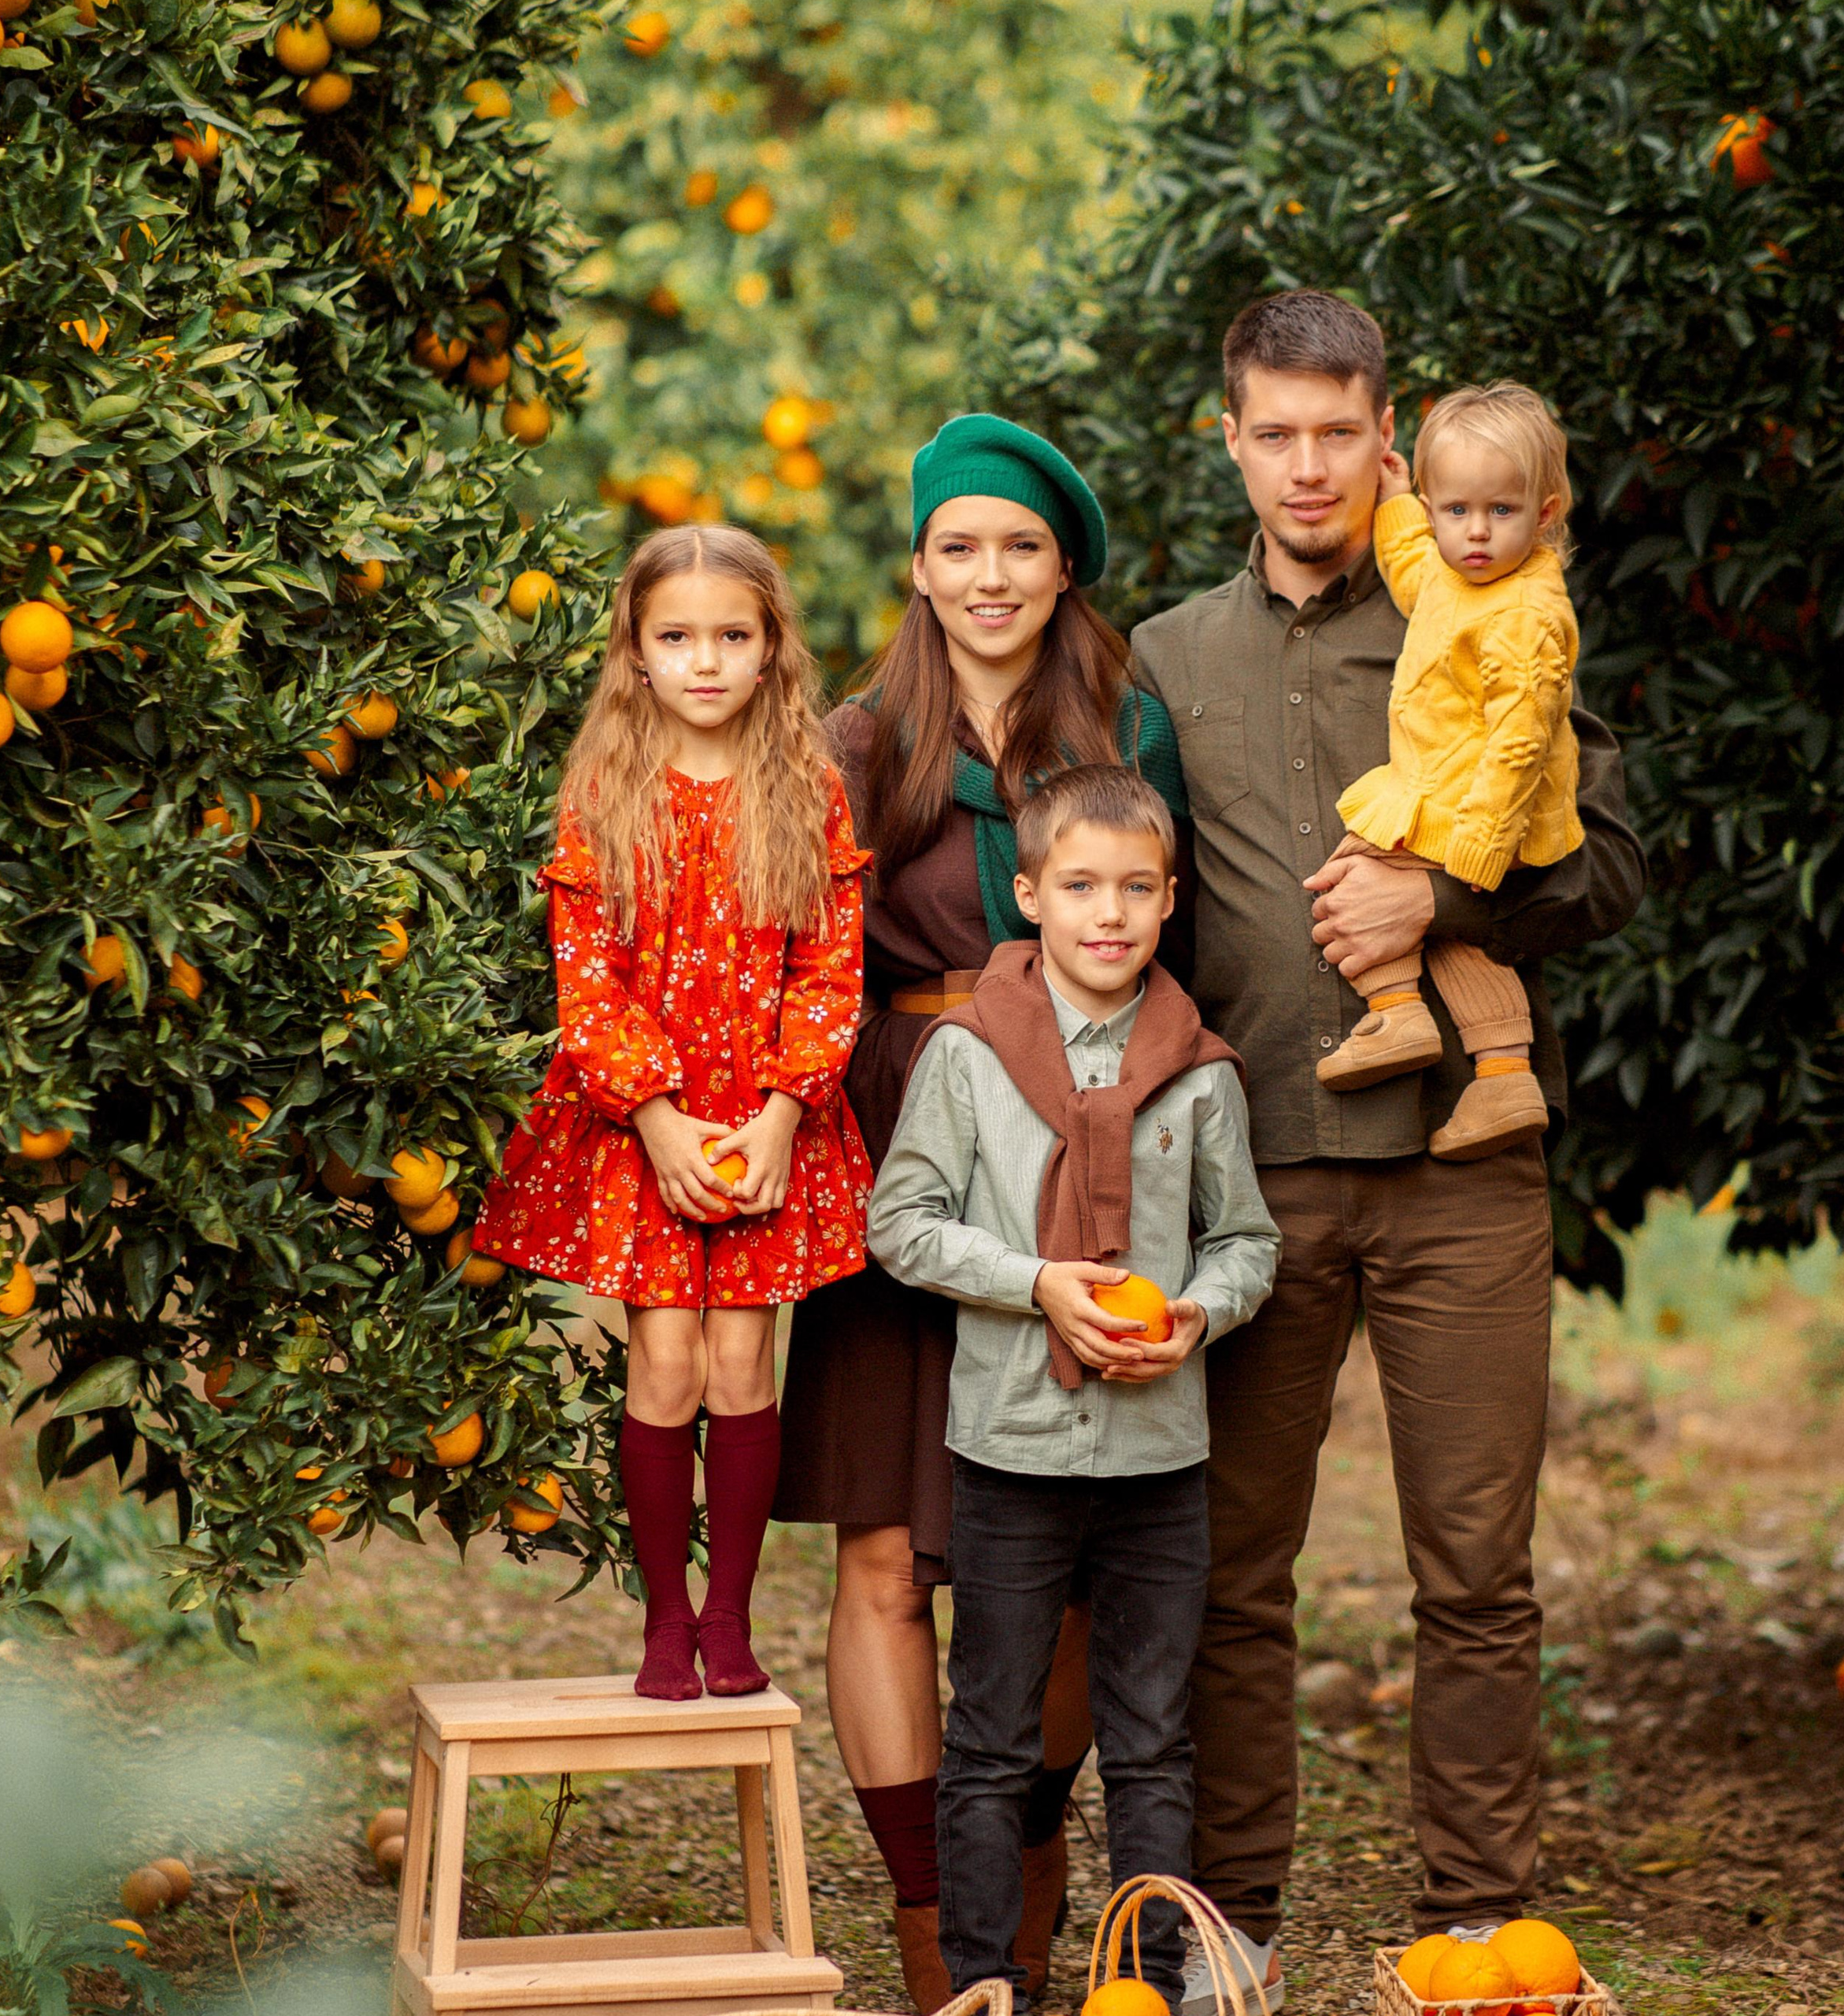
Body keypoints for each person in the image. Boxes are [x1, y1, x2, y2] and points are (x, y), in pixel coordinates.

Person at [1127, 291, 1646, 2011]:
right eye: (1270, 432)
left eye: (1334, 432)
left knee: (1473, 1565)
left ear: (1385, 434)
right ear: (1229, 439)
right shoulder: (1162, 656)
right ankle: (1229, 1922)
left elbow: (1612, 859)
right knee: (1230, 1562)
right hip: (1249, 1179)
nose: (1302, 464)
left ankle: (1477, 1926)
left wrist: (1451, 891)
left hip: (1458, 1164)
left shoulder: (1477, 605)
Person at [773, 415, 1189, 2010]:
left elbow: (1177, 938)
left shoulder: (1126, 730)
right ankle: (930, 1919)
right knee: (883, 1553)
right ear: (920, 565)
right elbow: (797, 963)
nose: (990, 572)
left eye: (1018, 543)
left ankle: (1015, 1847)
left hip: (1077, 1158)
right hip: (899, 1148)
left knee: (1063, 1554)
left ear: (1060, 561)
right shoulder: (861, 740)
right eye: (959, 543)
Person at [866, 765, 1280, 2012]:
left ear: (1169, 902)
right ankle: (985, 1978)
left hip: (1161, 1459)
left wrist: (1200, 1313)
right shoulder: (967, 1055)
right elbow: (905, 1224)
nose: (1110, 914)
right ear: (1031, 895)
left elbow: (1246, 1241)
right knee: (991, 1737)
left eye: (1138, 890)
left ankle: (1148, 1979)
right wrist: (1039, 1282)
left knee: (1154, 1739)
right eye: (1082, 886)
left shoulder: (1200, 1072)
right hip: (1011, 1450)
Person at [475, 524, 872, 1703]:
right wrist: (652, 1117)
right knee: (664, 1361)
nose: (707, 659)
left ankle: (731, 1619)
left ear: (771, 651)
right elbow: (584, 973)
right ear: (636, 653)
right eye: (678, 636)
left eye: (733, 636)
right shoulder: (605, 790)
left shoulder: (805, 787)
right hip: (641, 1122)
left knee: (744, 1358)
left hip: (764, 1121)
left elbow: (829, 968)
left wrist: (784, 1114)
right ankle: (663, 1624)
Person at [1318, 382, 1583, 1162]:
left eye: (1499, 512)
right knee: (1443, 932)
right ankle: (1499, 1073)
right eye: (1454, 510)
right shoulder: (1455, 575)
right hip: (1450, 792)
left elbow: (1520, 740)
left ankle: (1400, 1010)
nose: (1474, 533)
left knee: (1357, 870)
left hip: (1486, 812)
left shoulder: (1524, 612)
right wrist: (1398, 502)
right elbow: (1407, 564)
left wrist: (1478, 844)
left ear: (1544, 512)